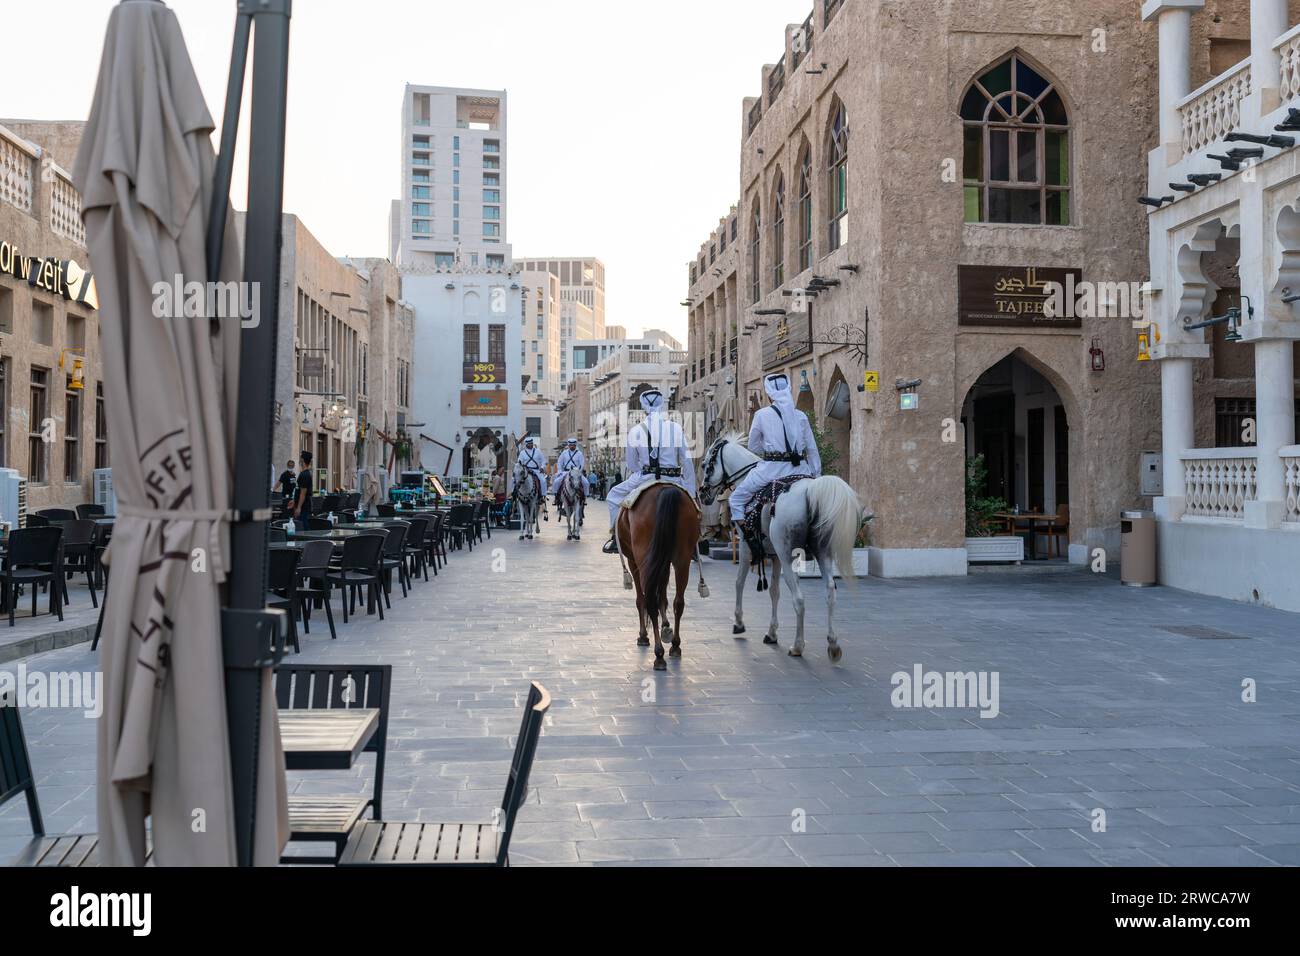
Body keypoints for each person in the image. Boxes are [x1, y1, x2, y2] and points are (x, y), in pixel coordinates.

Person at [727, 372, 821, 557]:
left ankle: (752, 543)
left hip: (771, 470)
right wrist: (816, 475)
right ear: (788, 389)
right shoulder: (801, 415)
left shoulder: (761, 415)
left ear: (769, 394)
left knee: (736, 499)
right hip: (802, 470)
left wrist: (771, 450)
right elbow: (812, 448)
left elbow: (753, 445)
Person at [603, 389, 696, 554]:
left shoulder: (635, 431)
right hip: (673, 479)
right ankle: (696, 540)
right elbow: (687, 460)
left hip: (645, 478)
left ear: (643, 406)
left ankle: (615, 539)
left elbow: (632, 464)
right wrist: (690, 489)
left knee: (612, 496)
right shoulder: (675, 428)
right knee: (695, 506)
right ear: (662, 405)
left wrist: (645, 472)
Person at [516, 435, 549, 519]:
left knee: (543, 481)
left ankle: (542, 496)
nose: (530, 445)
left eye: (531, 443)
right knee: (516, 480)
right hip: (526, 471)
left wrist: (542, 467)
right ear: (526, 444)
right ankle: (515, 496)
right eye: (528, 444)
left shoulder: (538, 451)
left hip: (536, 471)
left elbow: (543, 461)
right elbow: (519, 463)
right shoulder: (522, 453)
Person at [552, 437, 586, 517]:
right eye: (570, 445)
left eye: (573, 445)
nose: (572, 446)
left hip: (576, 473)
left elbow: (582, 464)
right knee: (556, 482)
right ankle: (557, 497)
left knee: (586, 483)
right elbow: (559, 462)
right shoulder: (564, 453)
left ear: (575, 445)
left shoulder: (579, 454)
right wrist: (560, 471)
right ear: (568, 445)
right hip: (566, 472)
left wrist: (579, 472)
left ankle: (584, 498)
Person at [293, 450, 315, 519]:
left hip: (304, 507)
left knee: (303, 527)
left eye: (300, 459)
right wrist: (294, 501)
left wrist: (299, 508)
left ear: (302, 460)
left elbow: (303, 493)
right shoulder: (304, 474)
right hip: (302, 506)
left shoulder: (305, 475)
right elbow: (299, 490)